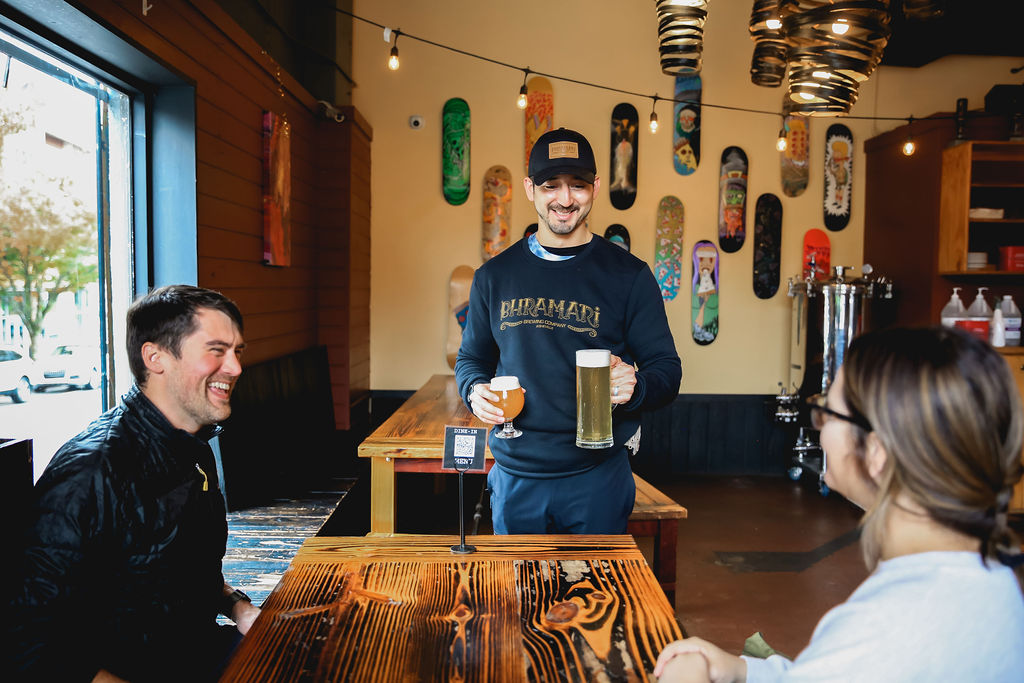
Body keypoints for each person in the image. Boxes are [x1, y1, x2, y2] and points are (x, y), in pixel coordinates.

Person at [655, 326, 1024, 683]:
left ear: (877, 453)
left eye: (828, 413)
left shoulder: (886, 625)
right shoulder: (992, 583)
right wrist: (744, 671)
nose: (819, 428)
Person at [6, 285, 259, 682]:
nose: (235, 367)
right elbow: (27, 644)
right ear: (155, 357)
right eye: (216, 350)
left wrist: (239, 608)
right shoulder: (90, 472)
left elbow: (186, 573)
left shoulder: (192, 445)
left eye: (237, 351)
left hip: (194, 651)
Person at [455, 127, 681, 535]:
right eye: (550, 186)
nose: (564, 199)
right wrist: (474, 391)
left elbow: (667, 370)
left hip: (597, 477)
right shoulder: (494, 277)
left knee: (594, 580)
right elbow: (472, 359)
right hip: (516, 476)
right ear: (530, 189)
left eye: (577, 185)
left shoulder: (629, 276)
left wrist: (638, 386)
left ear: (596, 188)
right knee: (519, 580)